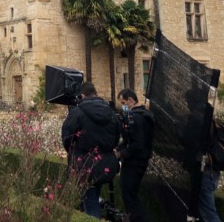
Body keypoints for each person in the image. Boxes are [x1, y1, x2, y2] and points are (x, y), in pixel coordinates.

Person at [62, 82, 120, 219]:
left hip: (85, 165)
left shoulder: (78, 113)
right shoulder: (111, 112)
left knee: (91, 204)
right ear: (96, 93)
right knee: (92, 196)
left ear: (82, 96)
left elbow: (67, 138)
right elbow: (117, 137)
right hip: (105, 164)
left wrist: (75, 152)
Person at [115, 88, 155, 222]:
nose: (123, 106)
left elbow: (137, 144)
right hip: (138, 161)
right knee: (130, 194)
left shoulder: (137, 118)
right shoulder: (144, 115)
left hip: (135, 163)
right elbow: (130, 140)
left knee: (129, 195)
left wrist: (121, 154)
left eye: (123, 103)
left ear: (130, 100)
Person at [197, 119, 222, 222]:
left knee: (210, 215)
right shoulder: (212, 122)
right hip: (212, 173)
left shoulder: (201, 122)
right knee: (205, 213)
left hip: (206, 173)